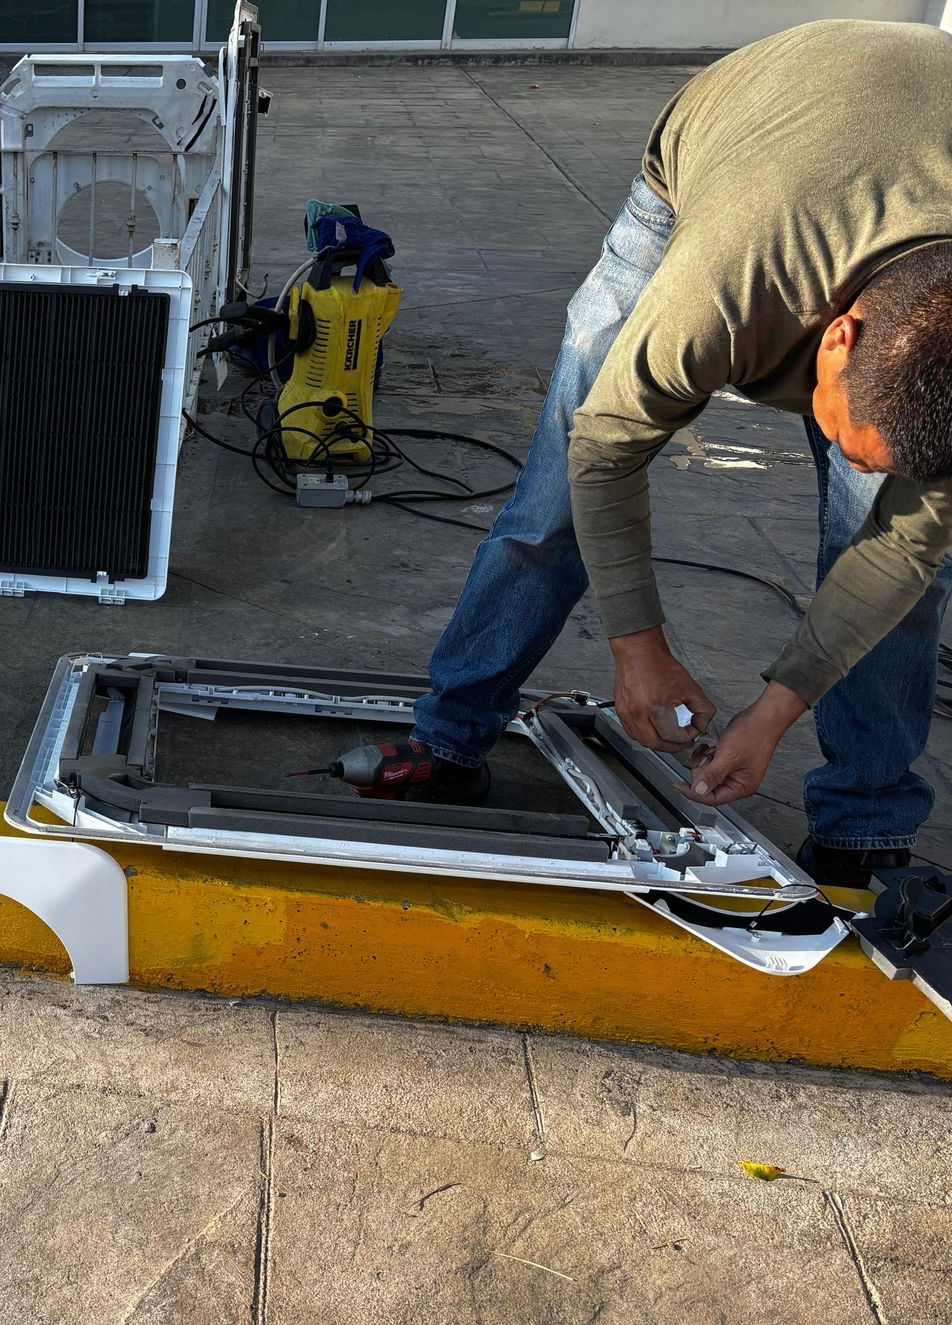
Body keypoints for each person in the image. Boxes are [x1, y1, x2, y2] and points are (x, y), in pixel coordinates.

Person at [397, 18, 952, 887]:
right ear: (835, 337)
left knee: (899, 570)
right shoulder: (727, 281)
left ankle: (863, 823)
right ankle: (450, 732)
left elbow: (901, 551)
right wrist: (636, 647)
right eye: (853, 440)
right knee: (556, 498)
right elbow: (607, 448)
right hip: (747, 150)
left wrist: (773, 713)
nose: (857, 465)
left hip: (894, 165)